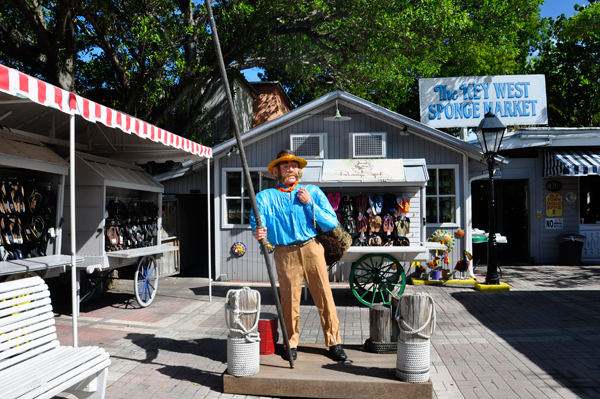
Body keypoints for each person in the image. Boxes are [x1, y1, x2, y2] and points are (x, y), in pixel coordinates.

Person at [250, 149, 347, 362]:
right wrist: (259, 232)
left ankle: (334, 342)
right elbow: (258, 224)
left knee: (324, 295)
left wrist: (310, 203)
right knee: (289, 299)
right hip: (284, 252)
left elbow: (331, 222)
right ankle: (290, 342)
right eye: (286, 166)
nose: (291, 169)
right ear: (276, 171)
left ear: (299, 170)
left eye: (294, 166)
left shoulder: (312, 191)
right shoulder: (264, 198)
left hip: (312, 247)